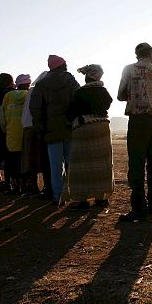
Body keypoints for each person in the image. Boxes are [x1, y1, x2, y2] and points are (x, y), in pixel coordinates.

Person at [117, 42, 152, 221]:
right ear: (150, 54)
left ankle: (138, 207)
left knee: (136, 164)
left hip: (137, 120)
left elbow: (120, 94)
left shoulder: (129, 69)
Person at [30, 55, 80, 205]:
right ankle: (74, 194)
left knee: (55, 166)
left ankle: (58, 196)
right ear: (62, 66)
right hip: (70, 128)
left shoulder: (41, 84)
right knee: (72, 164)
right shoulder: (71, 81)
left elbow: (35, 109)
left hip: (50, 131)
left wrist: (39, 128)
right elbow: (78, 101)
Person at [65, 64, 114, 209]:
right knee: (102, 162)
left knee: (82, 163)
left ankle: (83, 199)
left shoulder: (80, 92)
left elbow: (71, 111)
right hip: (102, 127)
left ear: (87, 76)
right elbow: (108, 103)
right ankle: (101, 198)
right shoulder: (104, 92)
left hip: (83, 128)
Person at [22, 71, 52, 199]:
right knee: (45, 159)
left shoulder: (32, 90)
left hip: (29, 127)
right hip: (39, 127)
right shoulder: (44, 90)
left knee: (31, 159)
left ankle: (32, 187)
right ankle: (47, 187)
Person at [1, 74, 30, 194]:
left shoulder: (8, 96)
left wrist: (5, 129)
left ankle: (15, 187)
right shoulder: (29, 95)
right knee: (25, 162)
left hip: (12, 134)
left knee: (13, 163)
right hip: (27, 134)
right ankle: (26, 186)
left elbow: (3, 115)